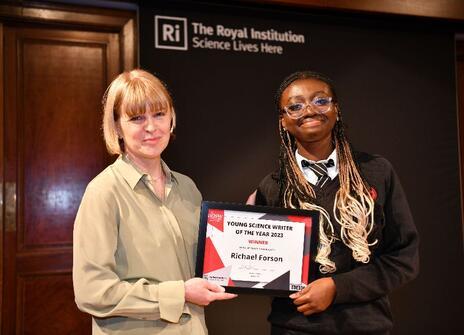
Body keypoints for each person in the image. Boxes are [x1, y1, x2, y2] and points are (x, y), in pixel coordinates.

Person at [248, 70, 419, 334]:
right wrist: (244, 234)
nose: (309, 110)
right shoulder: (272, 187)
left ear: (336, 110)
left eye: (320, 101)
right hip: (295, 328)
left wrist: (338, 288)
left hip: (367, 326)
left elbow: (403, 259)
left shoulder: (376, 172)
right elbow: (259, 268)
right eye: (295, 106)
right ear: (283, 121)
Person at [73, 69, 236, 335]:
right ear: (116, 127)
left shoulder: (187, 188)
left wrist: (242, 228)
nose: (151, 127)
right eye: (137, 118)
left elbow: (205, 264)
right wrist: (179, 293)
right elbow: (92, 291)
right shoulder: (103, 192)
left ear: (171, 117)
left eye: (159, 114)